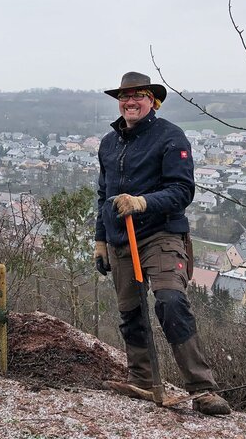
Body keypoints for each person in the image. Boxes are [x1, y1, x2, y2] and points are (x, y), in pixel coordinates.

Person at [94, 71, 231, 416]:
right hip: (121, 239)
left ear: (152, 101)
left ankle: (202, 389)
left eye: (137, 95)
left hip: (161, 234)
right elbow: (103, 195)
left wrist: (142, 202)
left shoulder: (171, 137)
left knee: (170, 301)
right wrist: (100, 240)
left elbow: (182, 190)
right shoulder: (109, 144)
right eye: (124, 96)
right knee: (130, 313)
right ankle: (142, 380)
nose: (129, 102)